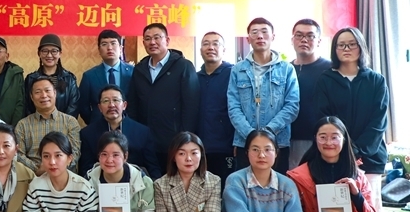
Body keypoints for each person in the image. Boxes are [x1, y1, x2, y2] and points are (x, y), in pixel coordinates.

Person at [315, 27, 388, 212]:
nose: (346, 49)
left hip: (369, 158)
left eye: (351, 44)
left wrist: (356, 152)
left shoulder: (376, 80)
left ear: (360, 47)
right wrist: (341, 151)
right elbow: (324, 118)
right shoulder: (326, 80)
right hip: (334, 156)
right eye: (341, 45)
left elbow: (378, 122)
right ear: (334, 49)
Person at [228, 17, 299, 175]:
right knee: (245, 185)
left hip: (277, 143)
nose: (260, 36)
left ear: (273, 36)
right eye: (254, 32)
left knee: (277, 185)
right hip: (245, 142)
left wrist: (268, 132)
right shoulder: (237, 70)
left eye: (264, 32)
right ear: (248, 39)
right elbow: (233, 107)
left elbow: (292, 106)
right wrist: (251, 135)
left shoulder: (287, 69)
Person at [127, 23, 200, 175]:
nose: (152, 42)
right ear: (143, 43)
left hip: (174, 140)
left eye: (156, 37)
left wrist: (185, 138)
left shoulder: (183, 66)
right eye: (147, 39)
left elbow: (191, 105)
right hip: (145, 140)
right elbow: (133, 104)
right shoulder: (139, 69)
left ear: (167, 40)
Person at [79, 84, 162, 179]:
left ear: (124, 105)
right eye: (106, 101)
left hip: (136, 183)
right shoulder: (87, 134)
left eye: (116, 100)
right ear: (100, 108)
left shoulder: (143, 132)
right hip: (101, 184)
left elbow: (153, 168)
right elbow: (86, 170)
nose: (111, 105)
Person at [16, 77, 81, 175]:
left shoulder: (70, 122)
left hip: (64, 177)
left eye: (47, 90)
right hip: (33, 177)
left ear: (55, 93)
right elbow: (18, 154)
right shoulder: (22, 125)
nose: (43, 95)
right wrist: (38, 170)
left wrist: (55, 168)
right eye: (38, 92)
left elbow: (75, 153)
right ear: (32, 97)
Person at [289, 19, 331, 169]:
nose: (304, 40)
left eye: (310, 36)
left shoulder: (330, 70)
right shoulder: (285, 69)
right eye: (299, 35)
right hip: (287, 139)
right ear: (292, 39)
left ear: (319, 41)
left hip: (320, 139)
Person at [197, 32, 236, 185]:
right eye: (206, 44)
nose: (210, 47)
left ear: (224, 49)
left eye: (215, 44)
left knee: (225, 188)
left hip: (225, 147)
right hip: (199, 148)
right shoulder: (194, 77)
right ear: (201, 50)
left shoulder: (233, 74)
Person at [79, 29, 134, 125]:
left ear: (121, 48)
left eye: (113, 43)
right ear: (99, 50)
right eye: (104, 44)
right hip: (99, 126)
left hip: (129, 125)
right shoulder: (89, 76)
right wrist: (94, 122)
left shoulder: (133, 72)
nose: (109, 48)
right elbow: (83, 106)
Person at [24, 34, 79, 118]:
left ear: (60, 54)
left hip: (64, 124)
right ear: (39, 53)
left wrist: (62, 122)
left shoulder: (69, 79)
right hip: (36, 124)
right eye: (45, 51)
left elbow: (73, 107)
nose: (49, 55)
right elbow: (27, 106)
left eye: (54, 51)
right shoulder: (31, 79)